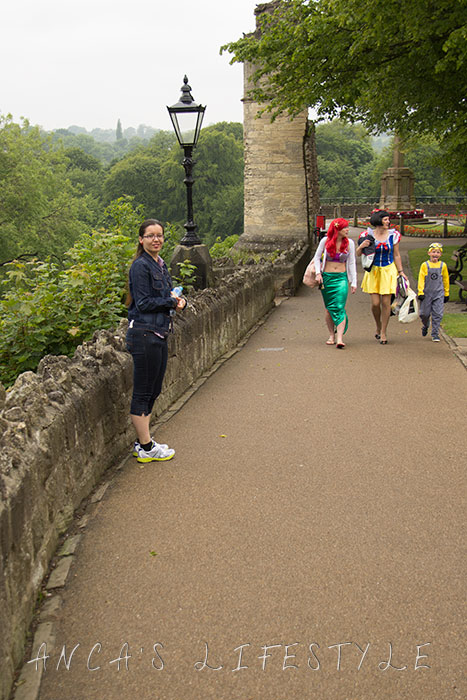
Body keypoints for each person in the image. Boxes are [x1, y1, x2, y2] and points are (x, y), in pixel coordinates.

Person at [126, 219, 186, 463]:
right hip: (143, 334)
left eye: (159, 235)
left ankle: (143, 442)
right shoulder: (141, 267)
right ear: (141, 240)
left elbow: (164, 297)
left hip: (159, 332)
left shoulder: (159, 265)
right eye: (150, 236)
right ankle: (147, 446)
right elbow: (143, 303)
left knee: (154, 389)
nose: (156, 240)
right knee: (143, 391)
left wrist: (179, 301)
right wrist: (171, 302)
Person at [356, 210, 408, 344]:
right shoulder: (367, 235)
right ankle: (378, 325)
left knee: (386, 303)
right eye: (385, 220)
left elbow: (396, 254)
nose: (388, 222)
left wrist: (401, 271)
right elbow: (358, 254)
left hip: (388, 270)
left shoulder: (393, 235)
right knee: (375, 304)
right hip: (373, 271)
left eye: (388, 220)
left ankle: (384, 331)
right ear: (378, 221)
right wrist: (361, 246)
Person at [313, 218, 357, 349]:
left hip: (341, 279)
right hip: (327, 278)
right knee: (329, 309)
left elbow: (351, 262)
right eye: (345, 228)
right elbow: (317, 257)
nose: (347, 230)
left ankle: (340, 338)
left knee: (339, 306)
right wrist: (318, 273)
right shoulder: (325, 241)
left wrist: (353, 281)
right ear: (337, 229)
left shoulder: (350, 243)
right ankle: (331, 335)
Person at [417, 242, 450, 342]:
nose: (435, 254)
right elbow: (421, 279)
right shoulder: (425, 265)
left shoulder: (443, 266)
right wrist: (420, 292)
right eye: (433, 252)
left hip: (438, 293)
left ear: (440, 254)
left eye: (438, 252)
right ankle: (426, 324)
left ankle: (435, 333)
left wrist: (446, 293)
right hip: (427, 293)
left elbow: (445, 279)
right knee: (424, 314)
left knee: (438, 314)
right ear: (429, 253)